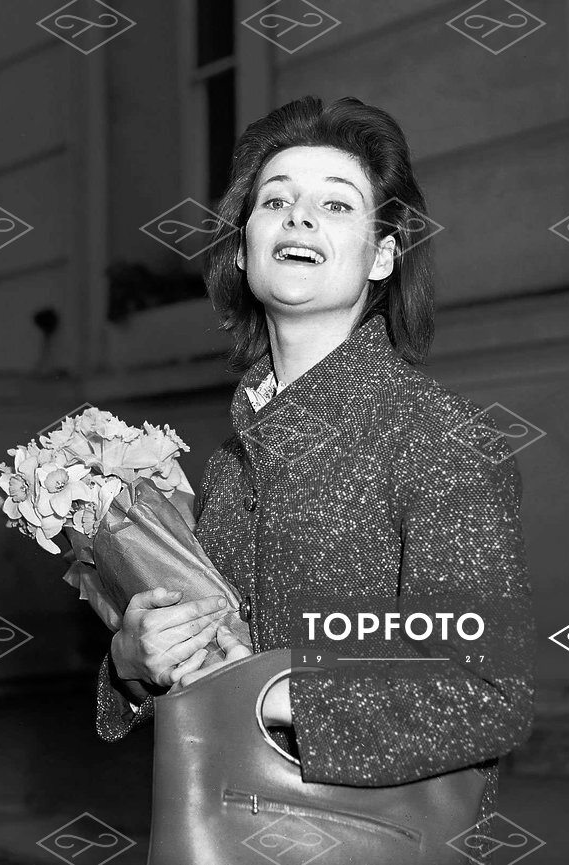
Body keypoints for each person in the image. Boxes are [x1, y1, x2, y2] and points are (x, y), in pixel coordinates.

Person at [94, 94, 536, 830]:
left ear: (383, 254)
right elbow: (196, 658)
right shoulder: (229, 467)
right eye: (276, 201)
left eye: (336, 205)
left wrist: (265, 691)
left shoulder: (437, 437)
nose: (300, 217)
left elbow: (486, 687)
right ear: (243, 246)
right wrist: (134, 664)